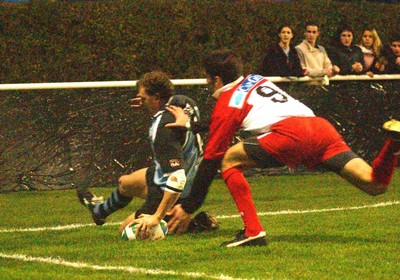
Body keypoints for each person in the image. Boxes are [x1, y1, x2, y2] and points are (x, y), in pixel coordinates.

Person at [167, 49, 400, 247]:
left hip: (291, 134)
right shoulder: (254, 79)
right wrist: (191, 125)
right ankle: (392, 144)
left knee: (229, 159)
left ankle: (253, 232)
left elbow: (211, 159)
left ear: (216, 80)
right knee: (374, 184)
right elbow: (228, 116)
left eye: (208, 78)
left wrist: (190, 205)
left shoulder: (227, 104)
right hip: (320, 128)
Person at [77, 71, 218, 239]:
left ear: (156, 97)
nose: (140, 101)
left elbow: (177, 177)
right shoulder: (184, 102)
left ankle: (194, 222)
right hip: (179, 171)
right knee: (125, 183)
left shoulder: (163, 129)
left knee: (126, 231)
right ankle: (99, 212)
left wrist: (156, 216)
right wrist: (146, 103)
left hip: (173, 187)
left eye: (143, 98)